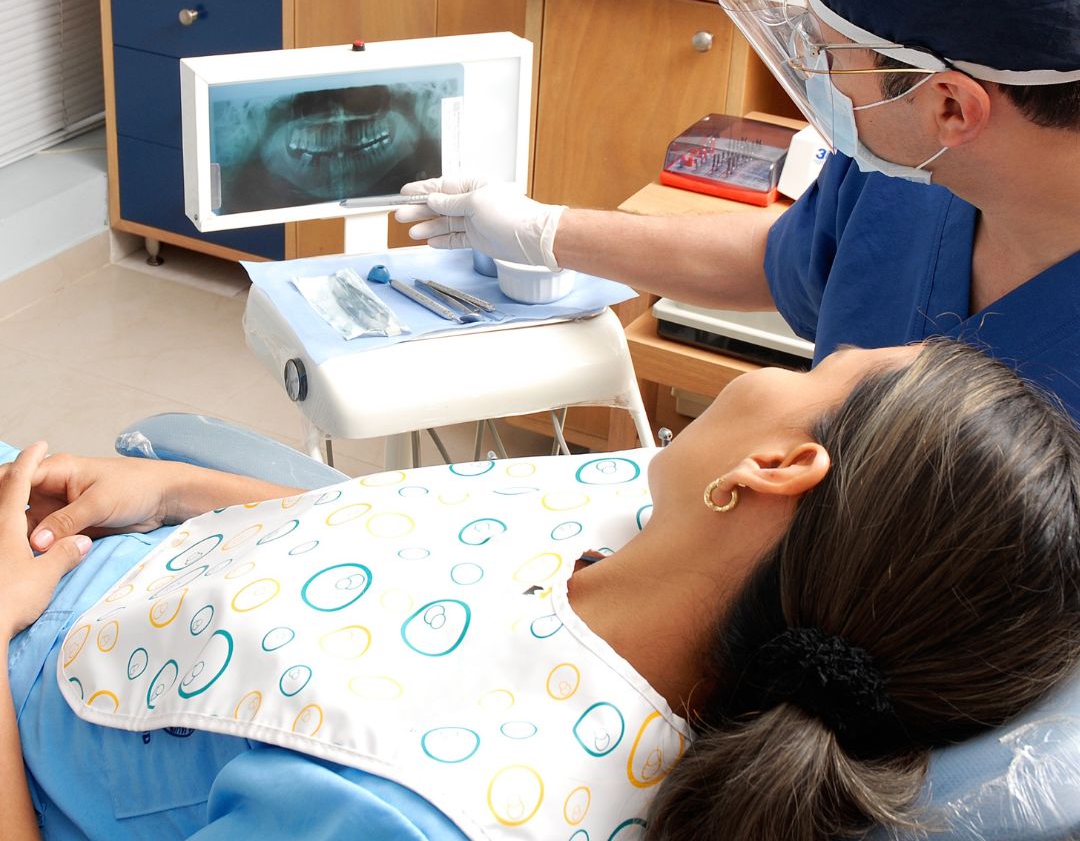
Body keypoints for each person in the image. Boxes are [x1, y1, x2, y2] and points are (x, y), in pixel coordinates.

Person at [5, 340, 1080, 840]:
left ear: (778, 468)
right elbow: (405, 543)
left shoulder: (406, 813)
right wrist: (176, 489)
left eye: (818, 368)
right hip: (92, 557)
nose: (780, 372)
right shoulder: (664, 534)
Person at [395, 0, 1080, 422]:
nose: (815, 77)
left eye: (828, 54)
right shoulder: (905, 173)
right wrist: (543, 231)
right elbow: (782, 259)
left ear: (951, 107)